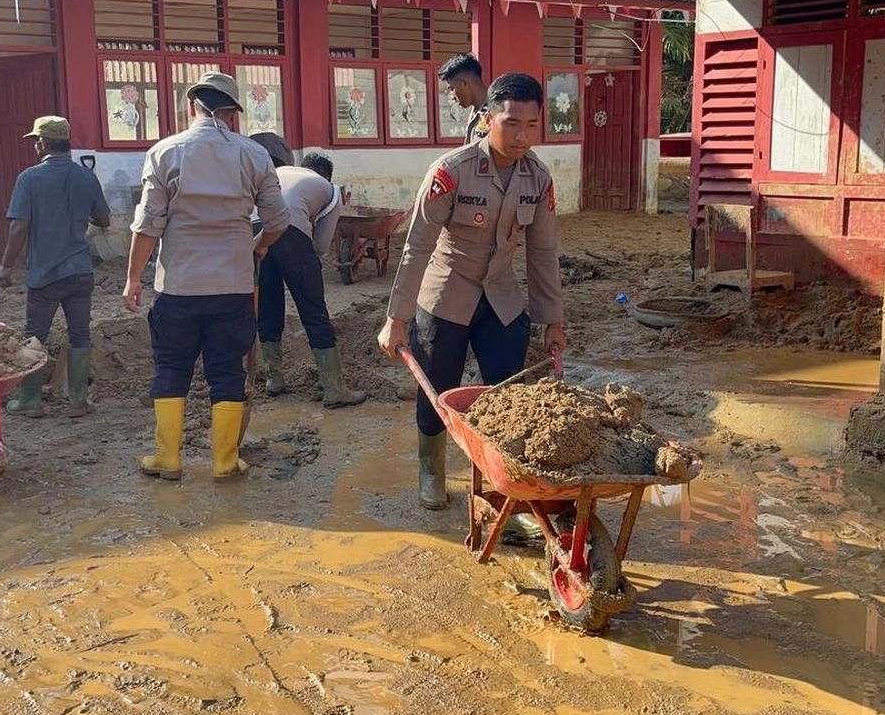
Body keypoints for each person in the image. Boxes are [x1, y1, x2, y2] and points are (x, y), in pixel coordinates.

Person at [377, 73, 567, 510]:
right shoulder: (451, 171)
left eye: (531, 125)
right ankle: (432, 471)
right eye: (511, 123)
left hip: (500, 300)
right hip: (445, 296)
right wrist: (397, 319)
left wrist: (553, 321)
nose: (521, 136)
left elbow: (543, 252)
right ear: (488, 118)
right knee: (439, 391)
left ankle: (499, 483)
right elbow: (417, 245)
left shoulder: (538, 179)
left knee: (505, 397)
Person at [123, 72, 289, 480]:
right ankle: (224, 461)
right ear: (233, 113)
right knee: (227, 370)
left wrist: (133, 278)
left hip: (178, 286)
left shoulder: (165, 152)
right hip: (232, 286)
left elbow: (148, 224)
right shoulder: (253, 155)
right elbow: (278, 220)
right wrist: (259, 244)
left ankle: (167, 459)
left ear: (191, 106)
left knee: (170, 368)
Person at [0, 115, 111, 418]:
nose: (35, 145)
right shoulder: (86, 177)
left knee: (35, 334)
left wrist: (5, 266)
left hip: (44, 274)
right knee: (79, 333)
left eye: (36, 140)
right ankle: (79, 400)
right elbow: (104, 219)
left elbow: (19, 228)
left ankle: (30, 400)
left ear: (43, 144)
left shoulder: (29, 179)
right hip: (79, 271)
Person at [245, 134, 365, 408]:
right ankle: (334, 388)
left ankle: (274, 379)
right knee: (313, 311)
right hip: (289, 229)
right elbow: (321, 246)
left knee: (267, 307)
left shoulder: (276, 172)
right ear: (327, 175)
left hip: (252, 230)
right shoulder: (330, 189)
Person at [439, 53, 490, 144]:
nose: (452, 96)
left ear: (464, 83)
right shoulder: (475, 113)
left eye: (452, 89)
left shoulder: (496, 112)